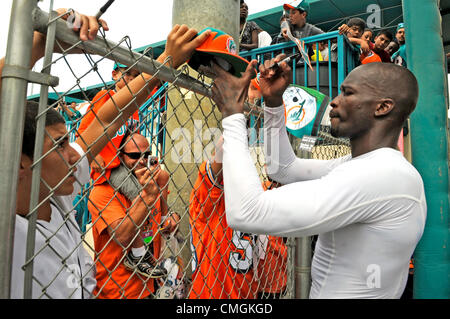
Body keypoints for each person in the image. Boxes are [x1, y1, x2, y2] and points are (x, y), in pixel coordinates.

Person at [3, 5, 211, 298]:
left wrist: (164, 64)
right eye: (59, 146)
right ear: (20, 163)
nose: (75, 153)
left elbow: (108, 120)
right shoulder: (8, 227)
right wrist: (37, 43)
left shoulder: (59, 193)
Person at [209, 55, 426, 298]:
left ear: (382, 107)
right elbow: (283, 169)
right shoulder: (369, 166)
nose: (334, 101)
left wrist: (232, 115)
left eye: (348, 93)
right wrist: (273, 103)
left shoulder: (384, 175)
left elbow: (247, 212)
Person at [88, 132, 178, 299]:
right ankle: (137, 256)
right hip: (117, 292)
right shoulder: (102, 193)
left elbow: (161, 227)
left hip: (148, 286)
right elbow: (123, 236)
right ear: (119, 157)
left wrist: (171, 215)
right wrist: (147, 196)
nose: (142, 160)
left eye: (146, 155)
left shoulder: (152, 183)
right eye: (135, 155)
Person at [188, 138, 258, 299]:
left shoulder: (248, 191)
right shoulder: (208, 198)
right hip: (212, 293)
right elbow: (215, 168)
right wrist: (234, 127)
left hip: (244, 292)